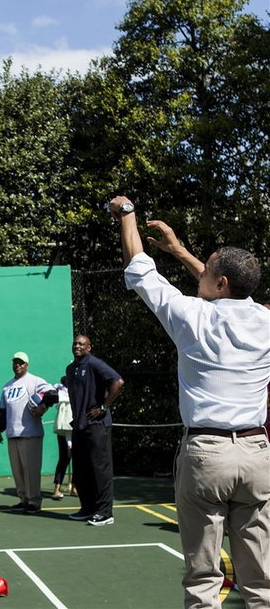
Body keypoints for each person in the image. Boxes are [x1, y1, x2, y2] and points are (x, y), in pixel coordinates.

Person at [110, 195, 270, 607]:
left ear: (220, 284)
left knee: (203, 579)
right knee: (259, 580)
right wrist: (179, 250)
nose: (201, 274)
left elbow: (139, 268)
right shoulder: (265, 321)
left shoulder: (190, 316)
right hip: (256, 454)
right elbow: (233, 294)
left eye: (209, 269)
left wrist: (127, 213)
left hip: (206, 454)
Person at [64, 336, 123, 526]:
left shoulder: (95, 364)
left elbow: (118, 382)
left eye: (82, 344)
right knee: (82, 471)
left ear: (89, 347)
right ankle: (87, 508)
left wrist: (104, 407)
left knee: (100, 470)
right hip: (79, 426)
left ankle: (105, 513)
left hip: (97, 425)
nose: (77, 346)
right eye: (75, 344)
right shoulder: (71, 369)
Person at [0, 352, 53, 514]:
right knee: (18, 471)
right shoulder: (7, 386)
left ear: (27, 365)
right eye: (15, 363)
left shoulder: (35, 381)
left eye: (21, 363)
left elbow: (52, 393)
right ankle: (23, 499)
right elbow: (2, 410)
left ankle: (34, 501)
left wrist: (43, 406)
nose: (17, 365)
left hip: (30, 433)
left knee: (31, 470)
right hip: (13, 434)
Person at [50, 378, 74, 500]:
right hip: (63, 428)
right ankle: (57, 489)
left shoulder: (77, 391)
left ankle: (75, 488)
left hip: (75, 427)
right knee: (64, 459)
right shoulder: (59, 390)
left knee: (78, 460)